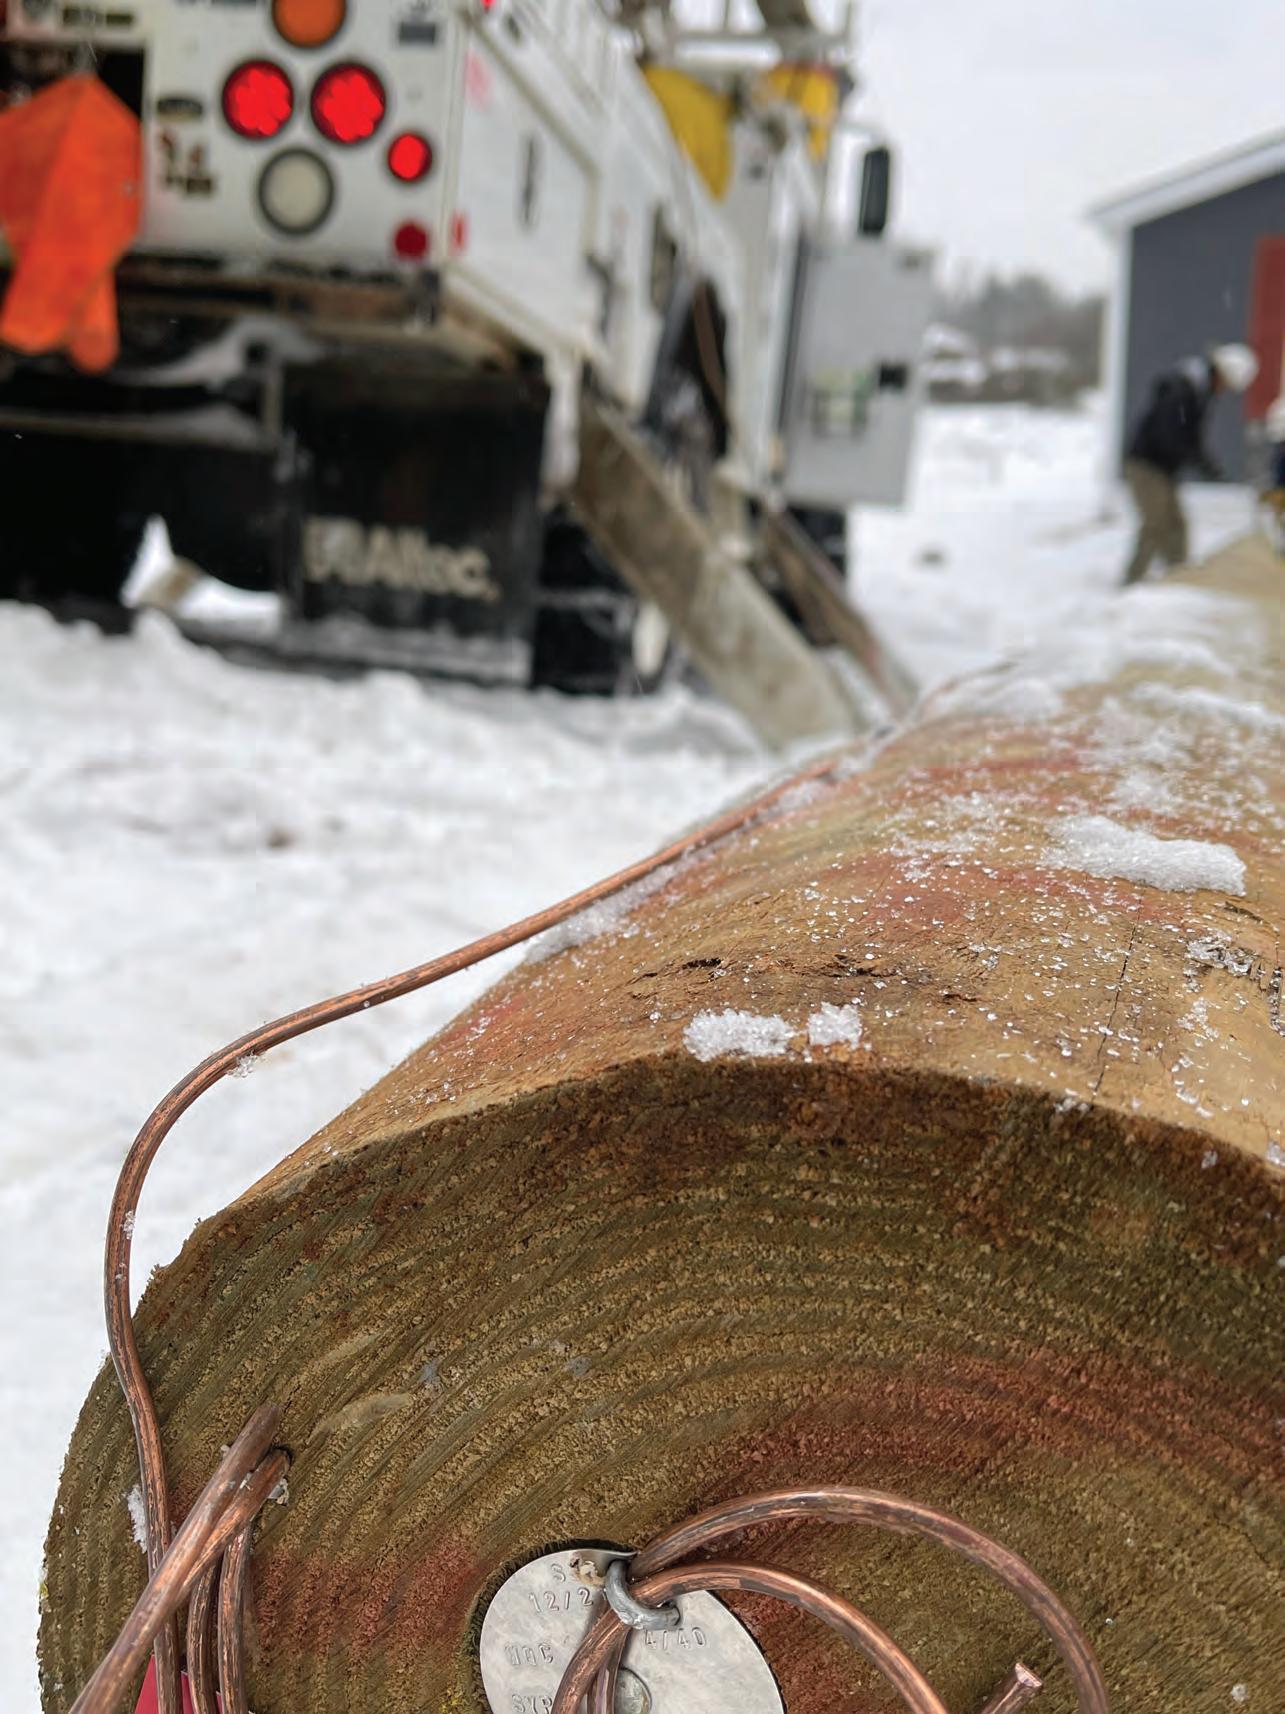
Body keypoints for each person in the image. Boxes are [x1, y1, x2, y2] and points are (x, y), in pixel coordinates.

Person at [1121, 342, 1259, 585]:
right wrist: (1198, 461)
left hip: (1162, 467)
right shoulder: (1184, 391)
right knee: (1156, 523)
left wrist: (1207, 466)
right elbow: (1171, 435)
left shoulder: (1198, 390)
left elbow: (1190, 439)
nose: (1224, 391)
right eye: (1227, 385)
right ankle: (1133, 581)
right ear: (1221, 374)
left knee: (1176, 524)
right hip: (1147, 464)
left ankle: (1179, 580)